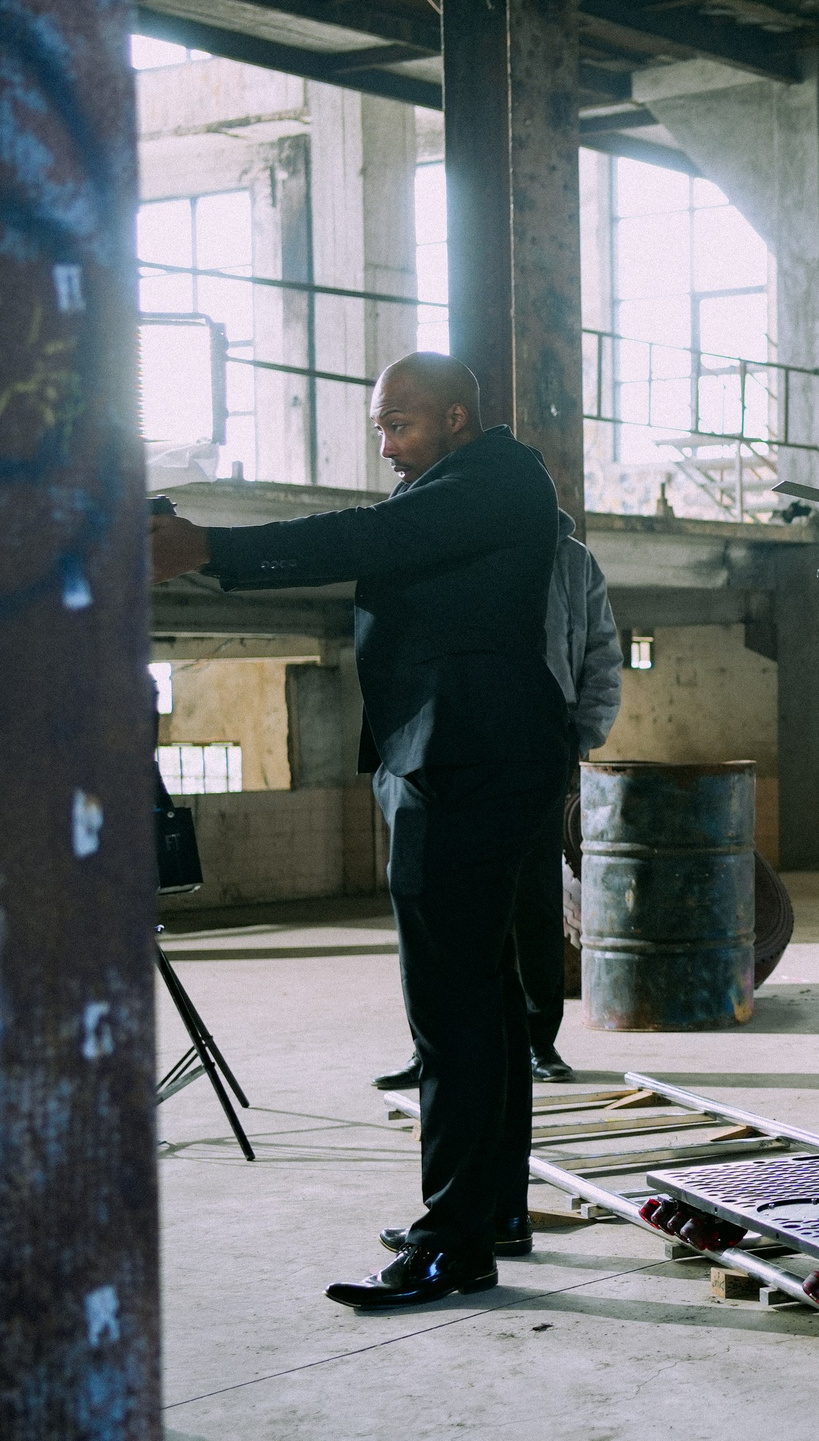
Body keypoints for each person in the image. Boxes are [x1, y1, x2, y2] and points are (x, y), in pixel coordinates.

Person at [150, 353, 573, 1310]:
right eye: (381, 429)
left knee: (450, 1003)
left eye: (402, 426)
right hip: (467, 756)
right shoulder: (462, 484)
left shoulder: (497, 478)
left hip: (465, 761)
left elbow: (367, 535)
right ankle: (493, 1207)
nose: (388, 448)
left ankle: (453, 1239)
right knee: (488, 994)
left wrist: (208, 545)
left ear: (458, 416)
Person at [374, 514, 619, 1090]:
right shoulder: (432, 544)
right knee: (429, 906)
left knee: (532, 902)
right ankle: (431, 1045)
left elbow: (602, 654)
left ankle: (537, 1043)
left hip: (533, 745)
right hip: (436, 748)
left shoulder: (570, 560)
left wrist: (578, 738)